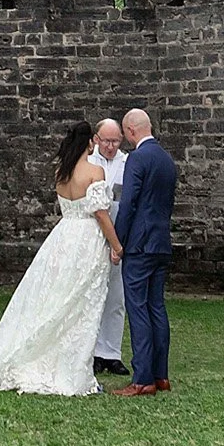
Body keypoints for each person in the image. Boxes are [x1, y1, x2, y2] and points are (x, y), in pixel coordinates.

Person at [0, 121, 125, 396]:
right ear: (90, 143)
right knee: (81, 302)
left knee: (56, 295)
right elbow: (100, 213)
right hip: (86, 240)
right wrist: (116, 245)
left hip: (63, 236)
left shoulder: (62, 172)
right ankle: (73, 366)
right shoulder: (95, 171)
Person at [110, 107, 177, 397]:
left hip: (139, 244)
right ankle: (161, 375)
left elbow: (128, 205)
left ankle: (142, 379)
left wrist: (118, 242)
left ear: (131, 130)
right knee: (156, 308)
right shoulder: (166, 160)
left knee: (137, 309)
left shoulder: (138, 158)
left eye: (125, 134)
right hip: (161, 242)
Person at [86, 118, 130, 376]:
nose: (111, 147)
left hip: (119, 232)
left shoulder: (127, 163)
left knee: (116, 295)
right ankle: (91, 351)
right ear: (96, 139)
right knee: (91, 293)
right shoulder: (89, 162)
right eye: (106, 141)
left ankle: (111, 352)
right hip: (92, 231)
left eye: (115, 141)